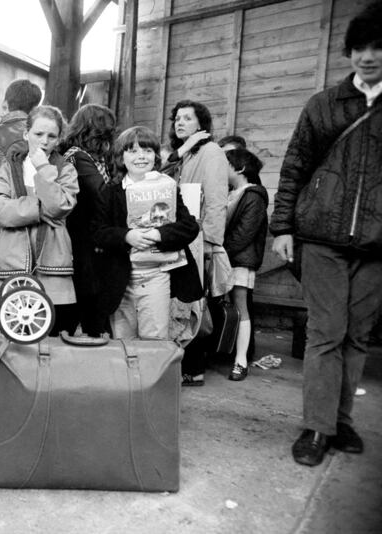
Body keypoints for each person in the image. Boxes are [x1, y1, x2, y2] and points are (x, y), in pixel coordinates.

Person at [270, 2, 382, 467]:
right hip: (321, 237)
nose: (368, 56)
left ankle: (341, 421)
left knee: (357, 337)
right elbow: (294, 165)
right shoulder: (324, 104)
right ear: (348, 51)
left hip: (376, 244)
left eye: (379, 47)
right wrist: (282, 227)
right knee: (325, 333)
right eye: (359, 47)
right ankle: (317, 428)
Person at [92, 126, 200, 340]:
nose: (141, 156)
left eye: (148, 150)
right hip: (121, 280)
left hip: (157, 275)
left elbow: (190, 227)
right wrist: (126, 236)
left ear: (156, 156)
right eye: (133, 151)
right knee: (123, 341)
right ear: (121, 157)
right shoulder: (111, 193)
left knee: (155, 341)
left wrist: (161, 235)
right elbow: (98, 232)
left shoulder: (168, 188)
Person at [0, 105, 79, 335]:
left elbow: (60, 206)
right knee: (11, 334)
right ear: (26, 133)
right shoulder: (9, 168)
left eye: (52, 136)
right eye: (38, 134)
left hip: (52, 267)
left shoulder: (65, 170)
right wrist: (38, 207)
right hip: (12, 266)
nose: (44, 141)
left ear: (59, 140)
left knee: (49, 337)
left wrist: (43, 169)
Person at [165, 100, 230, 386]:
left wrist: (211, 242)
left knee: (195, 303)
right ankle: (180, 362)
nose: (180, 123)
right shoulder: (182, 155)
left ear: (201, 124)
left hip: (198, 239)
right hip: (179, 236)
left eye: (187, 119)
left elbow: (216, 200)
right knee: (180, 301)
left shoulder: (211, 152)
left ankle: (195, 367)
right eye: (177, 118)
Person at [0, 79, 42, 291]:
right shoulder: (45, 135)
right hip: (39, 220)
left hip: (2, 224)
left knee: (0, 289)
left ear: (6, 102)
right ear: (37, 106)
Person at [58, 103, 117, 336]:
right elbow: (101, 193)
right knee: (88, 300)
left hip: (87, 239)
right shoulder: (78, 157)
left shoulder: (93, 159)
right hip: (83, 240)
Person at [223, 148, 267, 381]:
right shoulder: (233, 193)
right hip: (228, 258)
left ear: (240, 169)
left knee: (241, 307)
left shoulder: (253, 196)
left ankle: (241, 360)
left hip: (238, 260)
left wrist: (220, 254)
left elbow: (243, 234)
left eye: (226, 164)